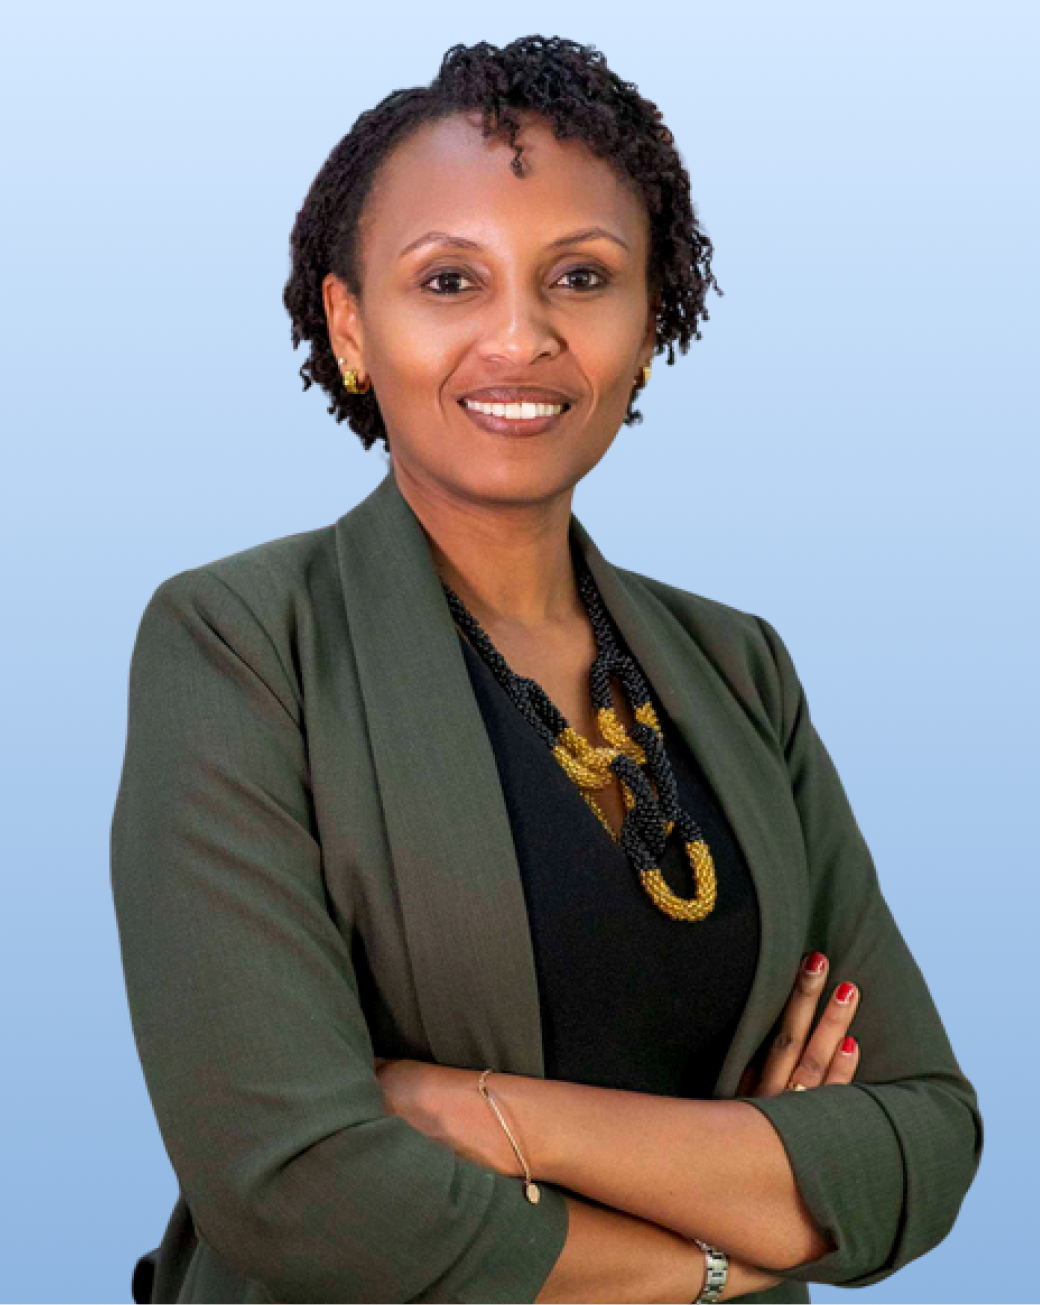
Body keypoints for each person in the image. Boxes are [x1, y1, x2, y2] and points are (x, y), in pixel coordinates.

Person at [111, 35, 983, 1305]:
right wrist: (730, 1236)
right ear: (350, 324)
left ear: (648, 321)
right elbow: (296, 1185)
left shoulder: (737, 667)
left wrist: (490, 1116)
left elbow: (921, 1142)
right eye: (448, 281)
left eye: (580, 276)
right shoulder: (240, 644)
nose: (519, 337)